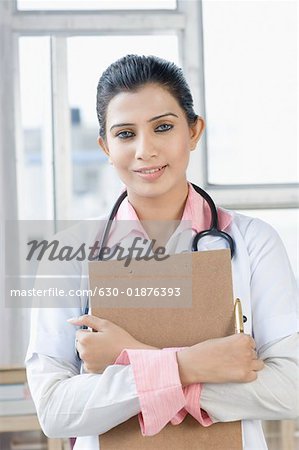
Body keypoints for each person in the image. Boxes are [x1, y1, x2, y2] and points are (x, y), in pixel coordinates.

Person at [25, 54, 298, 450]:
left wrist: (129, 356)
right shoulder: (67, 253)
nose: (144, 150)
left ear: (194, 131)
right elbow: (53, 410)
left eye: (163, 127)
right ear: (104, 146)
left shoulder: (254, 242)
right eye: (124, 134)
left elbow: (289, 388)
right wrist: (192, 366)